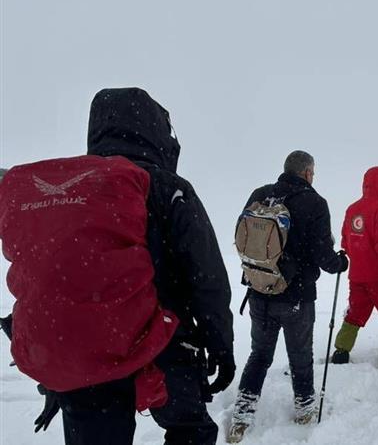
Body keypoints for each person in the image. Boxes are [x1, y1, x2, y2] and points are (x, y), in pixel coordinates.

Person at [0, 87, 236, 445]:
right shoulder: (167, 186)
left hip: (81, 351)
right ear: (157, 132)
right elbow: (207, 279)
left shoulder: (77, 188)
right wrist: (221, 345)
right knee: (190, 430)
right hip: (164, 345)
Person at [228, 151, 349, 442]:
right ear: (307, 173)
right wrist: (340, 262)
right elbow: (323, 255)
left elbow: (242, 237)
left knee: (259, 354)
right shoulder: (315, 203)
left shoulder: (261, 194)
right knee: (300, 356)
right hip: (296, 296)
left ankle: (242, 416)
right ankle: (305, 409)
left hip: (259, 290)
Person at [330, 166, 378, 368]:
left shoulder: (352, 209)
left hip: (357, 277)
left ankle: (341, 352)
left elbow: (346, 243)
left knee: (355, 314)